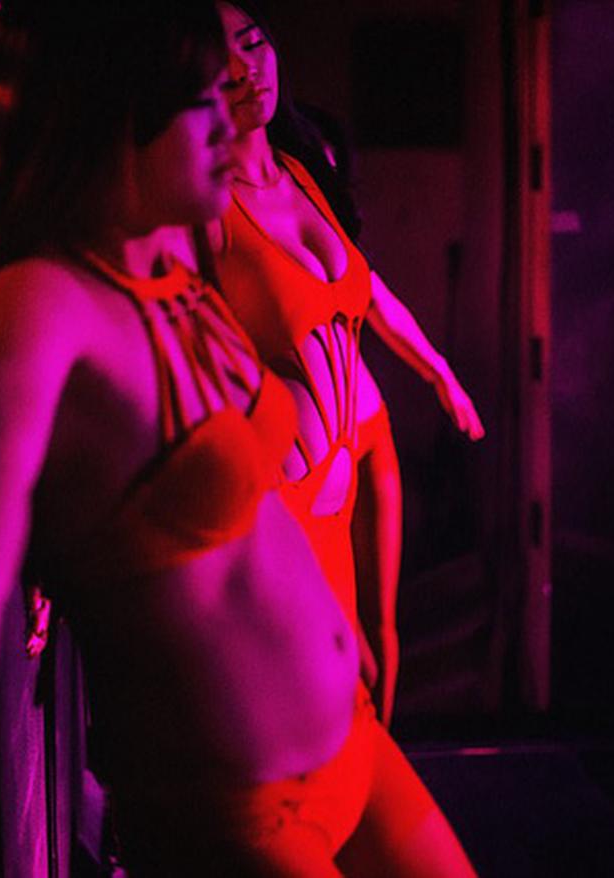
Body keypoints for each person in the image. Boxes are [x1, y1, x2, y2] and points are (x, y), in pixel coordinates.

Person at [0, 3, 472, 874]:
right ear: (113, 122)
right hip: (243, 810)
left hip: (353, 740)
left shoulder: (179, 280)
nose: (226, 122)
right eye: (196, 101)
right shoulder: (46, 301)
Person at [208, 0, 484, 728]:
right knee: (322, 681)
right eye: (219, 61)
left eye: (253, 43)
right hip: (288, 485)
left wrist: (439, 373)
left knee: (379, 645)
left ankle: (373, 763)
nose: (245, 69)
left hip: (355, 447)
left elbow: (370, 289)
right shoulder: (206, 205)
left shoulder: (300, 171)